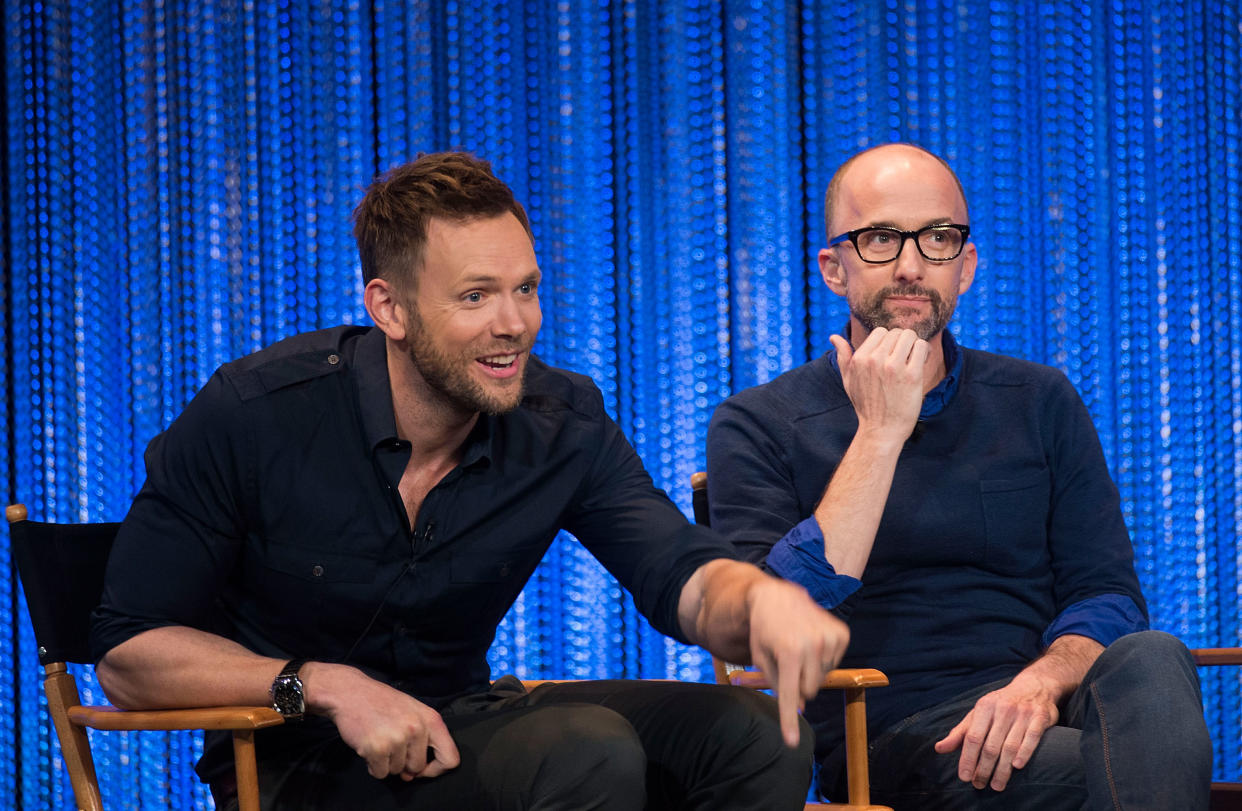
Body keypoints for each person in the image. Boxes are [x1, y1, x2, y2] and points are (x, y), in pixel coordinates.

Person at [90, 151, 850, 811]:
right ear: (389, 306)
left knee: (753, 738)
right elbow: (128, 656)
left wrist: (759, 604)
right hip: (294, 761)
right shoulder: (255, 415)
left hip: (459, 725)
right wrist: (321, 684)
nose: (515, 323)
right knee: (585, 749)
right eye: (476, 295)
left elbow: (677, 572)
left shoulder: (561, 419)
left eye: (525, 288)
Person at [705, 142, 1212, 809]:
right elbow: (772, 622)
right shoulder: (758, 422)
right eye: (882, 238)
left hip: (1045, 703)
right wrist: (880, 434)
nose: (912, 266)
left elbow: (1108, 597)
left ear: (966, 265)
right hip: (892, 735)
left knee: (1153, 655)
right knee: (1119, 774)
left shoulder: (1039, 400)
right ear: (834, 268)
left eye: (938, 238)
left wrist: (1038, 685)